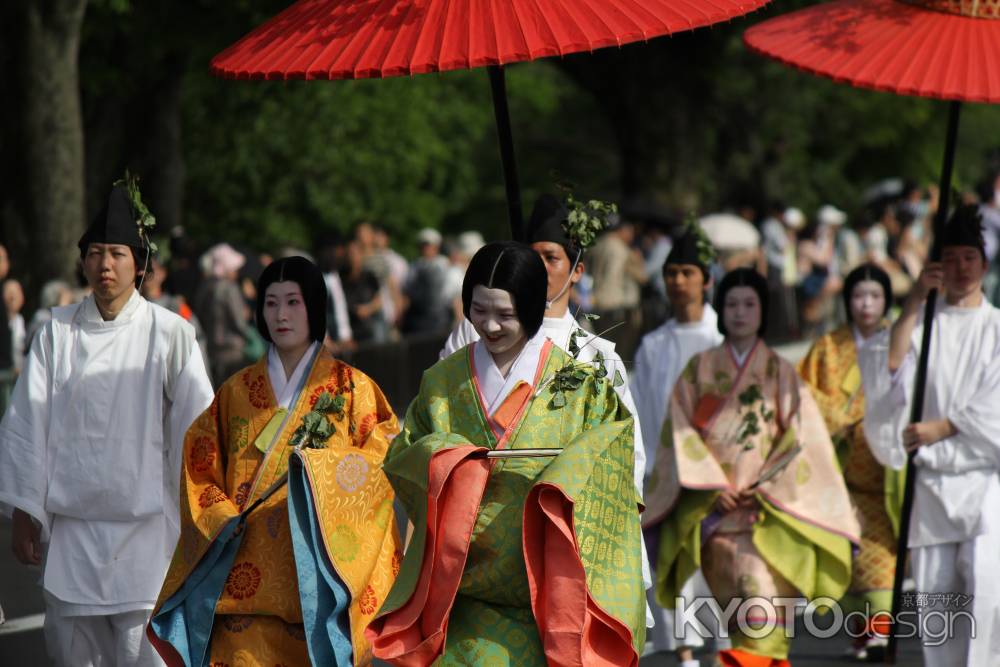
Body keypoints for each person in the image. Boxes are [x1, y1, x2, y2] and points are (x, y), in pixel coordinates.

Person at [368, 241, 646, 664]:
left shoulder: (580, 383)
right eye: (479, 311)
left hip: (551, 589)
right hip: (460, 591)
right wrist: (447, 459)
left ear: (534, 307)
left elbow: (614, 456)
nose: (491, 326)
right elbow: (405, 456)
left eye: (506, 315)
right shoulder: (442, 382)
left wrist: (566, 475)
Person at [0, 176, 214, 666]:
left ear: (138, 264)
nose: (105, 265)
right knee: (72, 654)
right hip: (72, 530)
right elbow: (27, 421)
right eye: (96, 253)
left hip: (146, 530)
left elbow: (197, 426)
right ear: (83, 261)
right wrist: (24, 510)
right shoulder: (56, 332)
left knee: (146, 655)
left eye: (117, 253)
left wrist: (199, 513)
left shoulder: (169, 333)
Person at [149, 255, 401, 666]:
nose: (281, 315)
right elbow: (200, 465)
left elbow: (380, 464)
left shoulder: (352, 389)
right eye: (271, 303)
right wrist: (220, 518)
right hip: (240, 592)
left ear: (315, 307)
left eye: (293, 302)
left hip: (318, 594)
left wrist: (320, 478)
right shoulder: (234, 392)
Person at [644, 268, 860, 667]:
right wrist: (712, 488)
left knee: (764, 625)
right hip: (717, 518)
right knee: (742, 623)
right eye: (732, 304)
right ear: (721, 310)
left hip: (769, 514)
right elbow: (679, 432)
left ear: (763, 311)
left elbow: (802, 439)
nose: (740, 312)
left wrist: (764, 487)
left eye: (749, 304)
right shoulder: (700, 369)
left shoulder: (780, 371)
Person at [860, 205, 1000, 667]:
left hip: (984, 480)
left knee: (985, 593)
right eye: (951, 258)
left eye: (969, 257)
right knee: (939, 605)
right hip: (932, 482)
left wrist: (945, 426)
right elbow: (890, 368)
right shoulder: (922, 322)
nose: (960, 268)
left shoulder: (996, 326)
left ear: (983, 263)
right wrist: (916, 299)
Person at [797, 263, 903, 661]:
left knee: (883, 556)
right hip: (839, 472)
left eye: (875, 296)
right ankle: (864, 633)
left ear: (887, 300)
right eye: (859, 296)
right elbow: (803, 394)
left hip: (887, 471)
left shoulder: (901, 341)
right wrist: (839, 417)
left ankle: (878, 633)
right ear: (847, 301)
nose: (867, 304)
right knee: (849, 558)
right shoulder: (827, 347)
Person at [631, 226, 724, 665]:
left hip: (719, 473)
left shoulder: (722, 339)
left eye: (687, 272)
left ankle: (724, 650)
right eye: (671, 273)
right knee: (677, 563)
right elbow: (644, 411)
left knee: (720, 564)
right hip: (666, 473)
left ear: (706, 279)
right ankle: (685, 653)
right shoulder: (653, 345)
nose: (677, 281)